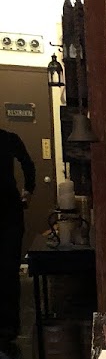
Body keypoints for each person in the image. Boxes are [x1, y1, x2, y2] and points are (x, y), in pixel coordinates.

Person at [0, 127, 35, 347]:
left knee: (7, 271)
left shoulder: (8, 138)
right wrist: (28, 191)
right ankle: (9, 328)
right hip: (9, 211)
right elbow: (28, 164)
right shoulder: (8, 138)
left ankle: (7, 328)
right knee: (8, 271)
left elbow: (28, 165)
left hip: (9, 212)